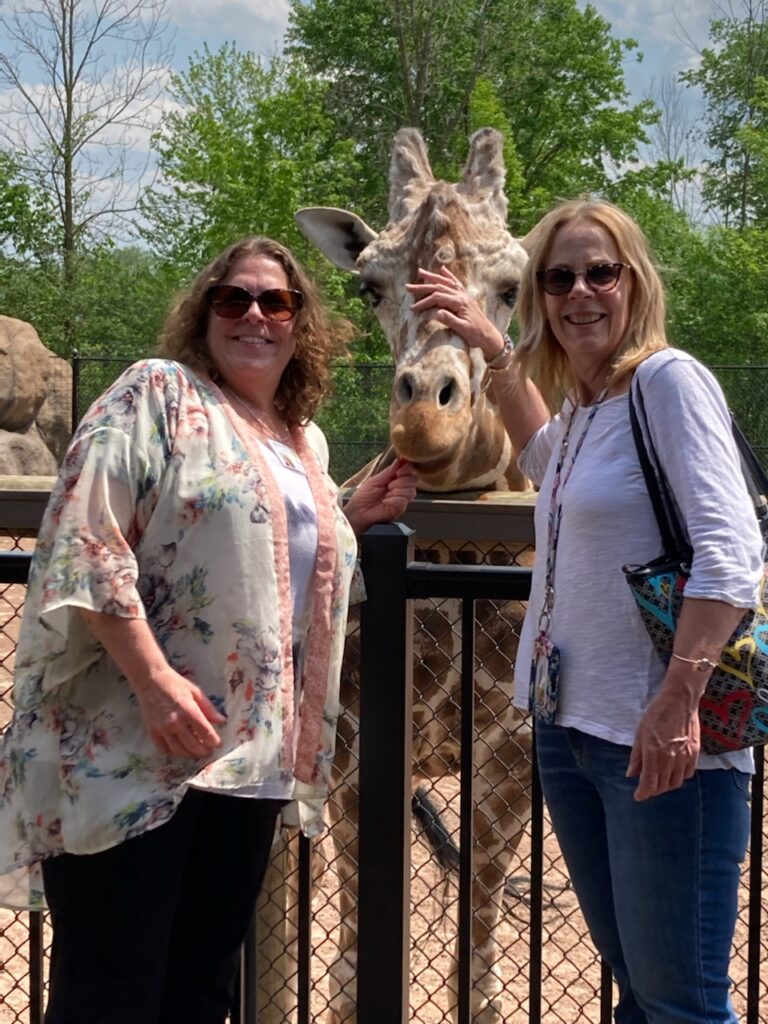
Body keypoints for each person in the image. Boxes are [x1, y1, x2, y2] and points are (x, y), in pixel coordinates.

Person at [0, 235, 417, 1024]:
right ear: (205, 314)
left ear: (300, 325)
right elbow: (86, 541)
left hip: (248, 763)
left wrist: (343, 521)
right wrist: (155, 683)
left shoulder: (302, 440)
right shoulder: (154, 393)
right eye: (235, 299)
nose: (255, 314)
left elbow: (280, 578)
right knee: (112, 989)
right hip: (135, 748)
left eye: (276, 301)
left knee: (200, 991)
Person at [406, 198, 764, 1024]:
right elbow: (544, 458)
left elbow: (732, 553)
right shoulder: (591, 409)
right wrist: (491, 345)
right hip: (573, 735)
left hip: (663, 746)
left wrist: (677, 703)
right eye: (558, 277)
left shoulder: (669, 384)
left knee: (682, 1003)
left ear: (634, 282)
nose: (579, 293)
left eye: (599, 272)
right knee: (638, 988)